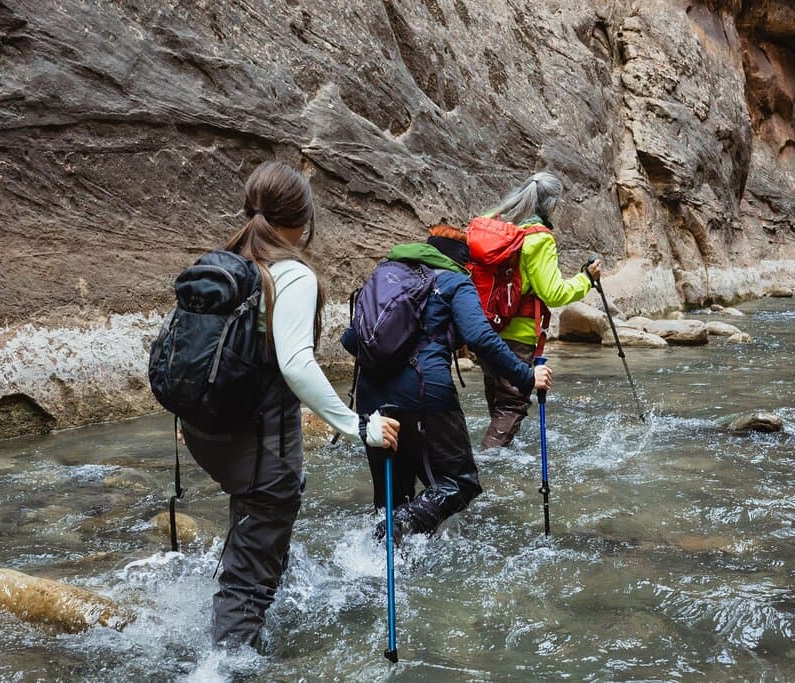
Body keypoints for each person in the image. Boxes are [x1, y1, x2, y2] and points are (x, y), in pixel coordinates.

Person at [179, 161, 400, 650]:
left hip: (208, 435)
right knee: (248, 583)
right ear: (302, 221)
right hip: (263, 449)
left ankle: (252, 586)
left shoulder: (226, 264)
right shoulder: (291, 276)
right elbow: (296, 364)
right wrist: (357, 425)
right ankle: (229, 663)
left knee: (255, 533)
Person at [340, 226, 552, 543]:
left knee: (392, 496)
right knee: (459, 483)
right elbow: (480, 336)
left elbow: (351, 339)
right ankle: (396, 529)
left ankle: (378, 555)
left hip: (371, 391)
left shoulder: (390, 272)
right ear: (462, 261)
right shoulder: (454, 281)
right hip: (424, 389)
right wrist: (525, 375)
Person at [472, 172, 601, 450]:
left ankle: (493, 448)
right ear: (551, 204)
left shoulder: (491, 224)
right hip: (517, 335)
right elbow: (553, 293)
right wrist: (587, 280)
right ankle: (488, 461)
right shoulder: (538, 239)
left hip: (483, 328)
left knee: (497, 398)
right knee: (513, 402)